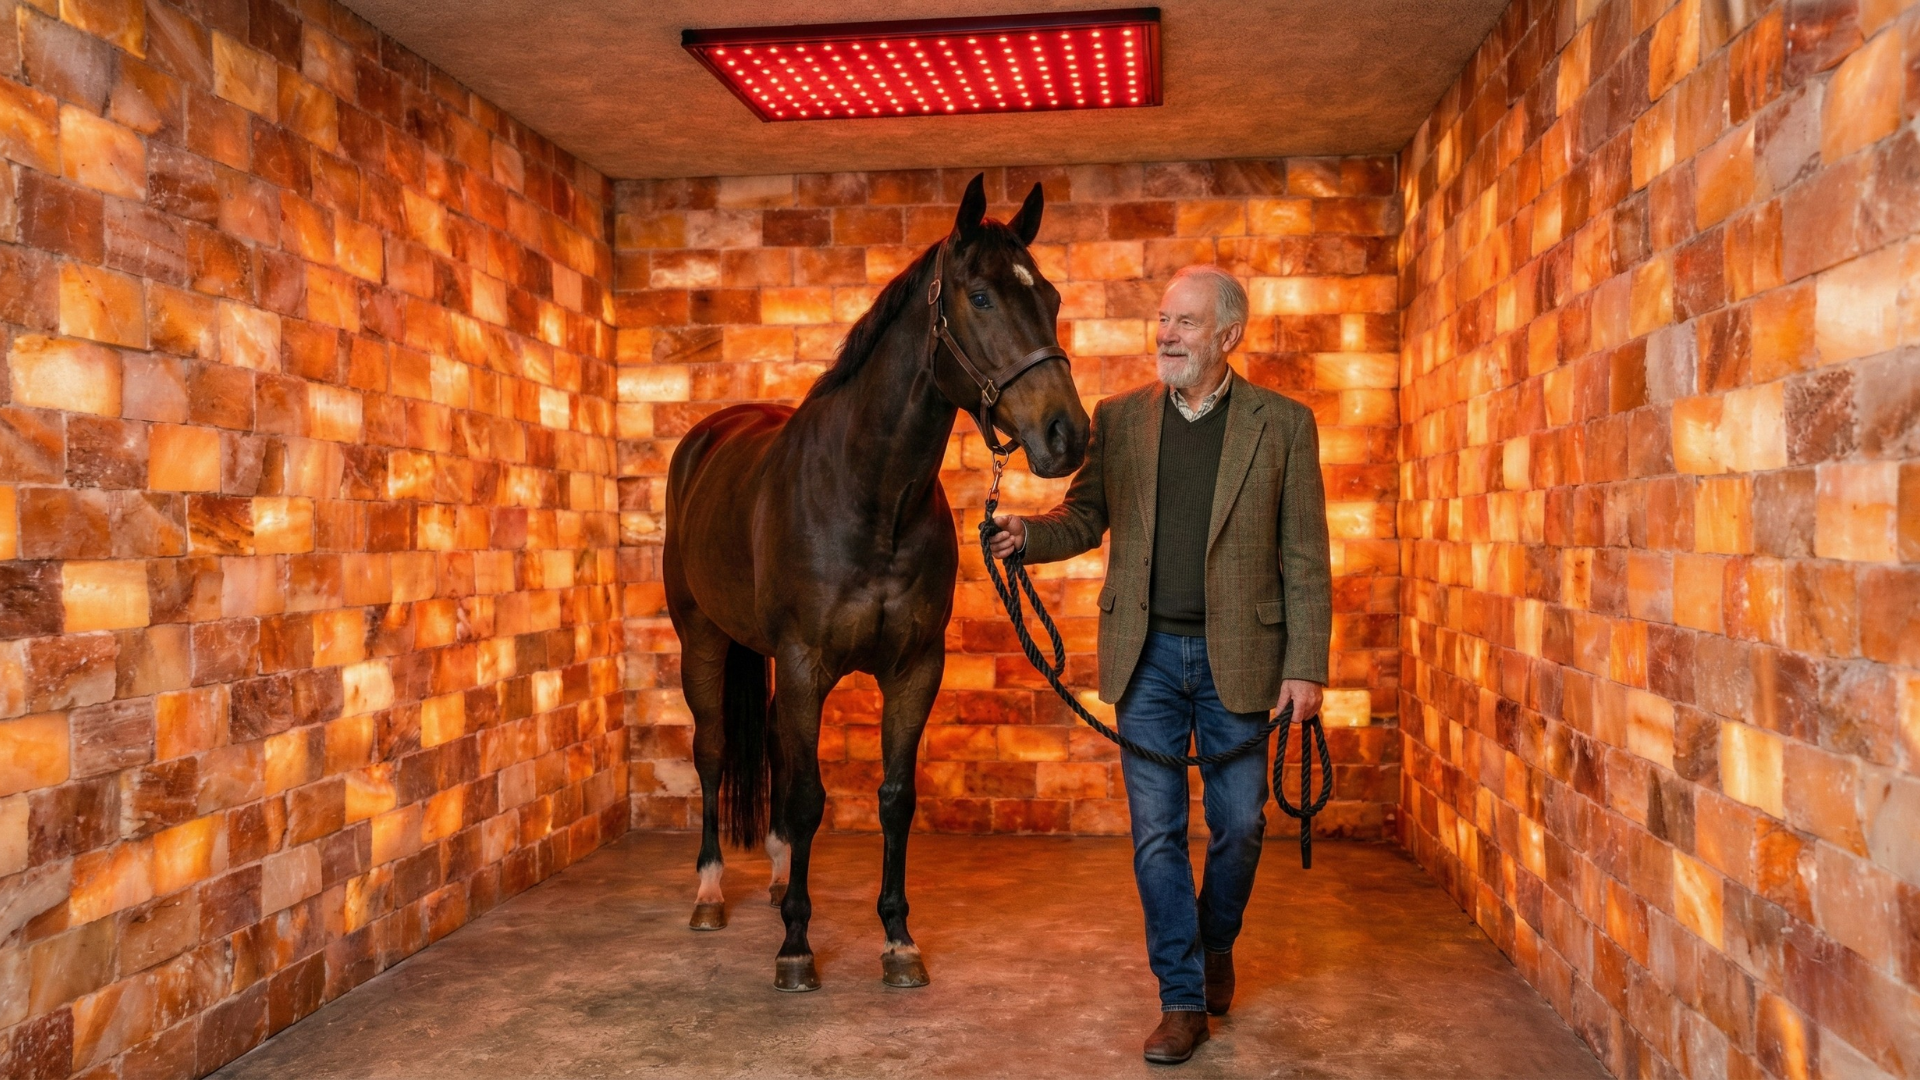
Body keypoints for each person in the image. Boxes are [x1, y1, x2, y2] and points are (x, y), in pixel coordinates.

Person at [988, 264, 1332, 1064]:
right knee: (1156, 835)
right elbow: (1086, 516)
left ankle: (1216, 944)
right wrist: (1026, 537)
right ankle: (1182, 998)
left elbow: (1306, 556)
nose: (1165, 336)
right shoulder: (1121, 419)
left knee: (1241, 825)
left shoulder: (1283, 425)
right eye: (1162, 320)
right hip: (1144, 658)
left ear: (1227, 337)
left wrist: (1306, 665)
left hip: (1241, 657)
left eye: (1182, 323)